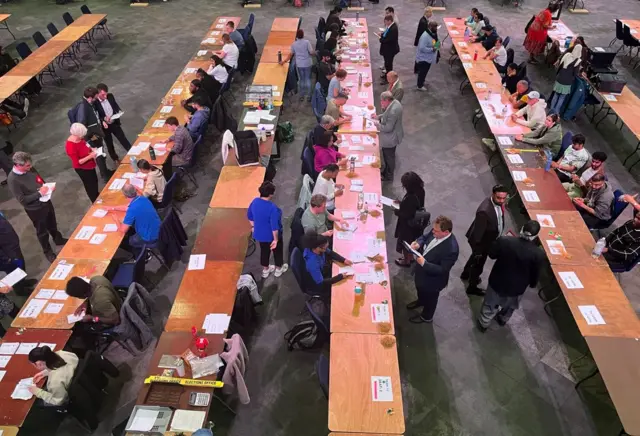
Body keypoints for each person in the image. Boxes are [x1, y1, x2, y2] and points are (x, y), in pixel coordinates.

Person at [476, 220, 544, 332]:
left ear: (522, 229)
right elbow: (535, 273)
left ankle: (484, 322)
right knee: (510, 306)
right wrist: (532, 284)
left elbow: (492, 255)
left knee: (490, 303)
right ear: (536, 236)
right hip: (517, 287)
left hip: (497, 281)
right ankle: (503, 319)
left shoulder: (505, 241)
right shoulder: (538, 254)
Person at [7, 152, 67, 263]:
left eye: (30, 165)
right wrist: (39, 194)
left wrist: (47, 187)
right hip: (35, 209)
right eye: (27, 166)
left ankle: (57, 239)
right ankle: (47, 251)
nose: (30, 168)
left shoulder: (30, 168)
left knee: (52, 222)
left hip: (46, 201)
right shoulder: (12, 180)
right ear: (18, 165)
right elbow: (22, 200)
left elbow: (39, 179)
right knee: (42, 231)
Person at [407, 215, 459, 323]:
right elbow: (425, 237)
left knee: (431, 299)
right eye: (433, 229)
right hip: (421, 273)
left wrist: (424, 264)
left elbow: (443, 269)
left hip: (433, 281)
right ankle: (421, 301)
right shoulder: (436, 230)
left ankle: (426, 317)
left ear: (446, 232)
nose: (433, 232)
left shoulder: (452, 249)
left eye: (436, 231)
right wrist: (418, 243)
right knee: (420, 289)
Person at [462, 185, 508, 296]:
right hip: (482, 243)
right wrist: (479, 251)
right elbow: (478, 234)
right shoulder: (484, 211)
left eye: (504, 198)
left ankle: (465, 273)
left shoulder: (497, 204)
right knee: (478, 265)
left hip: (488, 238)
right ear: (493, 194)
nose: (502, 201)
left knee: (473, 258)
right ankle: (472, 286)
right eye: (499, 198)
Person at [104, 184, 161, 255]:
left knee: (127, 242)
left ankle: (144, 255)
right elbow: (126, 207)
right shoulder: (143, 198)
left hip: (150, 237)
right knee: (131, 226)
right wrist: (112, 208)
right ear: (135, 191)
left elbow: (122, 230)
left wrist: (116, 220)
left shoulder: (132, 210)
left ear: (125, 196)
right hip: (159, 228)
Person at [69, 87, 110, 183]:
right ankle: (105, 175)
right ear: (90, 98)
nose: (96, 100)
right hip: (92, 135)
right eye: (95, 98)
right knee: (98, 153)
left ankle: (105, 171)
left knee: (101, 152)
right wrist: (93, 138)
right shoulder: (84, 108)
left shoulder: (88, 104)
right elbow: (82, 126)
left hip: (95, 133)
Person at [247, 181, 288, 278]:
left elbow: (249, 216)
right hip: (271, 235)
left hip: (260, 235)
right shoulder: (272, 208)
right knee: (277, 251)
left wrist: (253, 227)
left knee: (264, 251)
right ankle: (278, 269)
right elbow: (274, 227)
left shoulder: (254, 201)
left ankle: (265, 270)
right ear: (271, 194)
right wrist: (276, 240)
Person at [302, 231, 352, 296]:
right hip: (318, 285)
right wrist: (340, 277)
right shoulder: (312, 263)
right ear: (317, 248)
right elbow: (321, 282)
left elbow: (330, 253)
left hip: (324, 272)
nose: (326, 249)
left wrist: (343, 260)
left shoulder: (317, 246)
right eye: (325, 248)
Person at [94, 83, 132, 164]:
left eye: (106, 94)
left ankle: (132, 152)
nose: (105, 96)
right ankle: (115, 159)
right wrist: (103, 119)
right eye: (103, 94)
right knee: (109, 143)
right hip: (105, 127)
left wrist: (118, 110)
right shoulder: (95, 103)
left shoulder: (110, 96)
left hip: (114, 122)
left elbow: (114, 105)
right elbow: (96, 116)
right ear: (98, 94)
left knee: (122, 138)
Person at [394, 172, 425, 267]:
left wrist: (396, 211)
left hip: (407, 225)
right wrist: (401, 203)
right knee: (411, 240)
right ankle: (411, 258)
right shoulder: (420, 191)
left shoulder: (410, 197)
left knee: (405, 242)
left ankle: (406, 261)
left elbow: (407, 214)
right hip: (416, 224)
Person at [65, 123, 99, 203]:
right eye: (82, 135)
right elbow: (78, 162)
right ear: (77, 134)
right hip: (83, 169)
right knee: (90, 186)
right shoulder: (70, 146)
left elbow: (86, 145)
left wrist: (92, 149)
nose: (83, 137)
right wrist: (90, 156)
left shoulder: (80, 139)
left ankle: (97, 196)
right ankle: (95, 201)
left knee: (94, 181)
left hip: (90, 165)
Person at [373, 91, 403, 181]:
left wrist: (377, 124)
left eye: (382, 101)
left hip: (390, 138)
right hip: (393, 134)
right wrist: (378, 116)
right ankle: (386, 172)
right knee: (388, 156)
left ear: (387, 100)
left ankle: (389, 175)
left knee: (389, 157)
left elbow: (388, 128)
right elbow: (387, 114)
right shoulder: (395, 103)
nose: (381, 103)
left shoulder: (393, 111)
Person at [281, 29, 315, 102]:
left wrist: (284, 61)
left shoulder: (294, 44)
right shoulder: (307, 42)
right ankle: (309, 96)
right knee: (308, 79)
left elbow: (291, 54)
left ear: (296, 36)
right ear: (303, 35)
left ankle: (302, 95)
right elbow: (311, 52)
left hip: (299, 64)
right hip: (307, 63)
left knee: (301, 79)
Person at [550, 45, 583, 115]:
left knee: (556, 95)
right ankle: (556, 112)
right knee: (561, 98)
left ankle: (551, 110)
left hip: (560, 78)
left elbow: (560, 65)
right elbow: (575, 73)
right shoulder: (578, 61)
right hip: (567, 81)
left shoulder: (567, 55)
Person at [415, 22, 439, 92]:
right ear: (430, 27)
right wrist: (432, 49)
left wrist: (436, 45)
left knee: (425, 71)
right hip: (423, 59)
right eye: (435, 27)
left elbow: (434, 41)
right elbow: (421, 48)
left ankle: (422, 81)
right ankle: (419, 86)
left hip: (428, 57)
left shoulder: (432, 33)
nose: (436, 29)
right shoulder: (425, 36)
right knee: (422, 72)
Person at [378, 15, 399, 84]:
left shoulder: (393, 29)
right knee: (386, 63)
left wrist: (380, 39)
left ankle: (389, 79)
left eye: (386, 22)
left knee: (389, 64)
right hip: (387, 49)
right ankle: (387, 75)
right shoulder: (390, 26)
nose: (385, 23)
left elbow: (389, 39)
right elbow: (386, 33)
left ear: (390, 21)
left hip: (390, 50)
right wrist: (382, 34)